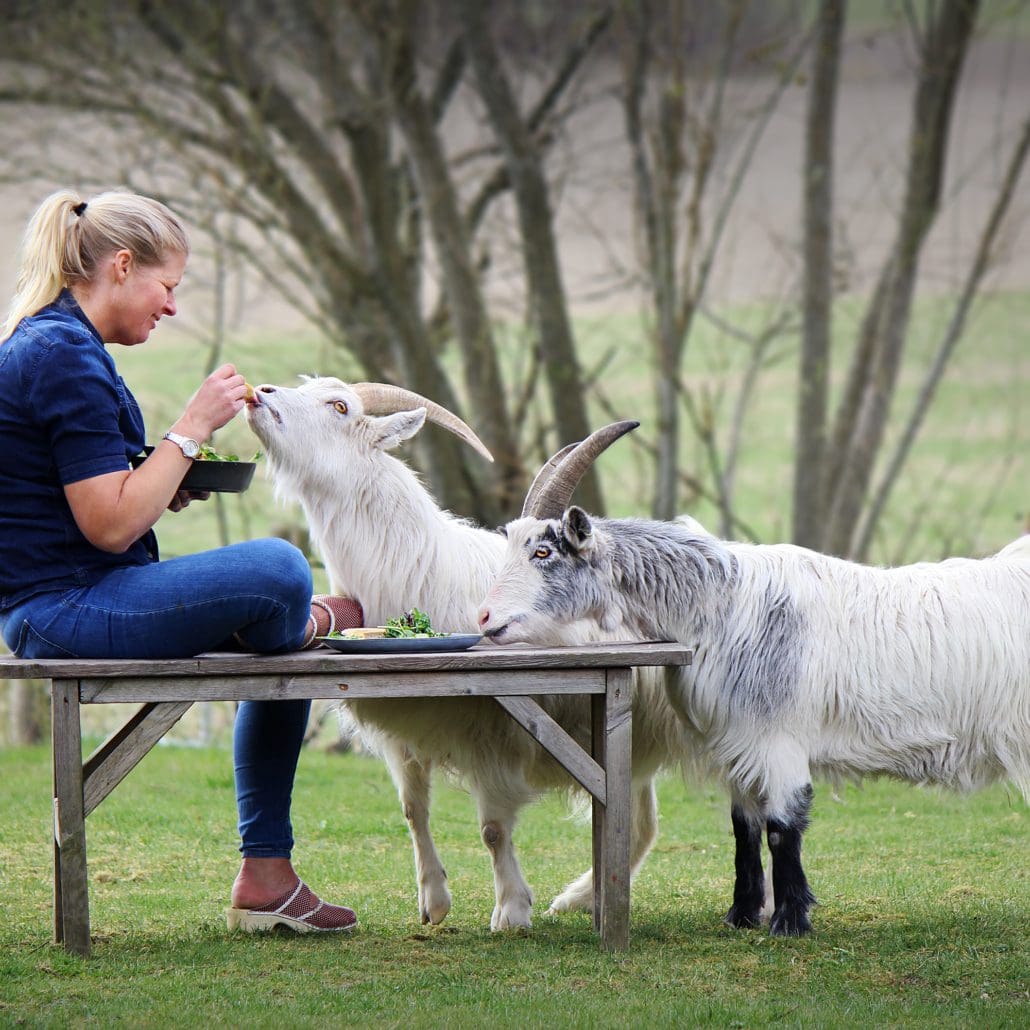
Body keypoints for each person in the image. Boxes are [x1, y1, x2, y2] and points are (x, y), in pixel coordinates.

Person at [0, 188, 361, 934]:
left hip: (76, 593)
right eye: (168, 288)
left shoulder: (59, 343)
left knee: (275, 620)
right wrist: (191, 429)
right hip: (63, 605)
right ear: (123, 266)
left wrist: (165, 480)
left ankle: (267, 879)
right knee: (281, 573)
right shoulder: (62, 357)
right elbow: (106, 525)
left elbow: (96, 498)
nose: (170, 308)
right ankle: (306, 621)